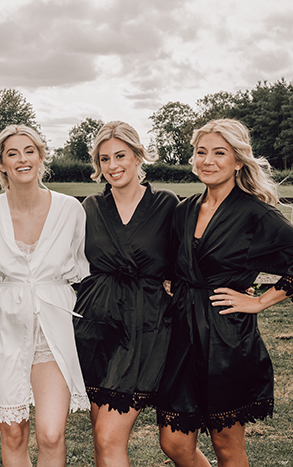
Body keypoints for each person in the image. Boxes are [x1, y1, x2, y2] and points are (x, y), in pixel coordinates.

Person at [157, 119, 293, 467]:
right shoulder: (183, 209)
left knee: (226, 446)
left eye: (219, 153)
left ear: (238, 161)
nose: (208, 160)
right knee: (174, 443)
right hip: (181, 336)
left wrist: (260, 301)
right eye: (201, 152)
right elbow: (175, 265)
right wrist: (171, 281)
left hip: (226, 338)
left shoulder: (254, 212)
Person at [0, 124, 90, 466]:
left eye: (29, 151)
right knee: (14, 433)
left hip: (54, 326)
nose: (22, 159)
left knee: (51, 433)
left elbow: (84, 263)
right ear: (1, 164)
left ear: (40, 157)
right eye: (12, 153)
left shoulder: (70, 210)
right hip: (4, 325)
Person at [73, 121, 178, 466]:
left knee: (108, 436)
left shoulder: (165, 204)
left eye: (120, 156)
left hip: (144, 326)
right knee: (101, 437)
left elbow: (190, 254)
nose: (113, 165)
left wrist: (234, 281)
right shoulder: (90, 207)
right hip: (95, 326)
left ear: (137, 156)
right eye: (104, 159)